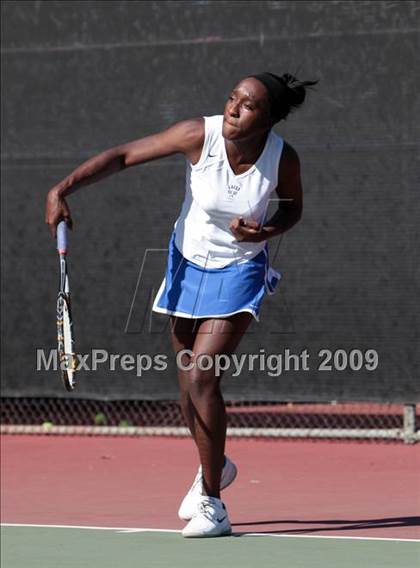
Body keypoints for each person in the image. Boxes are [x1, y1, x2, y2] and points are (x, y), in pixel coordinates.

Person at [45, 71, 317, 538]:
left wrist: (266, 231)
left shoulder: (281, 158)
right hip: (187, 263)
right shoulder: (200, 134)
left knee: (202, 374)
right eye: (232, 98)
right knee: (186, 388)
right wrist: (61, 188)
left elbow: (292, 208)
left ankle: (213, 501)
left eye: (247, 105)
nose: (234, 108)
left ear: (268, 117)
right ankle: (215, 464)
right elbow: (125, 155)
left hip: (241, 270)